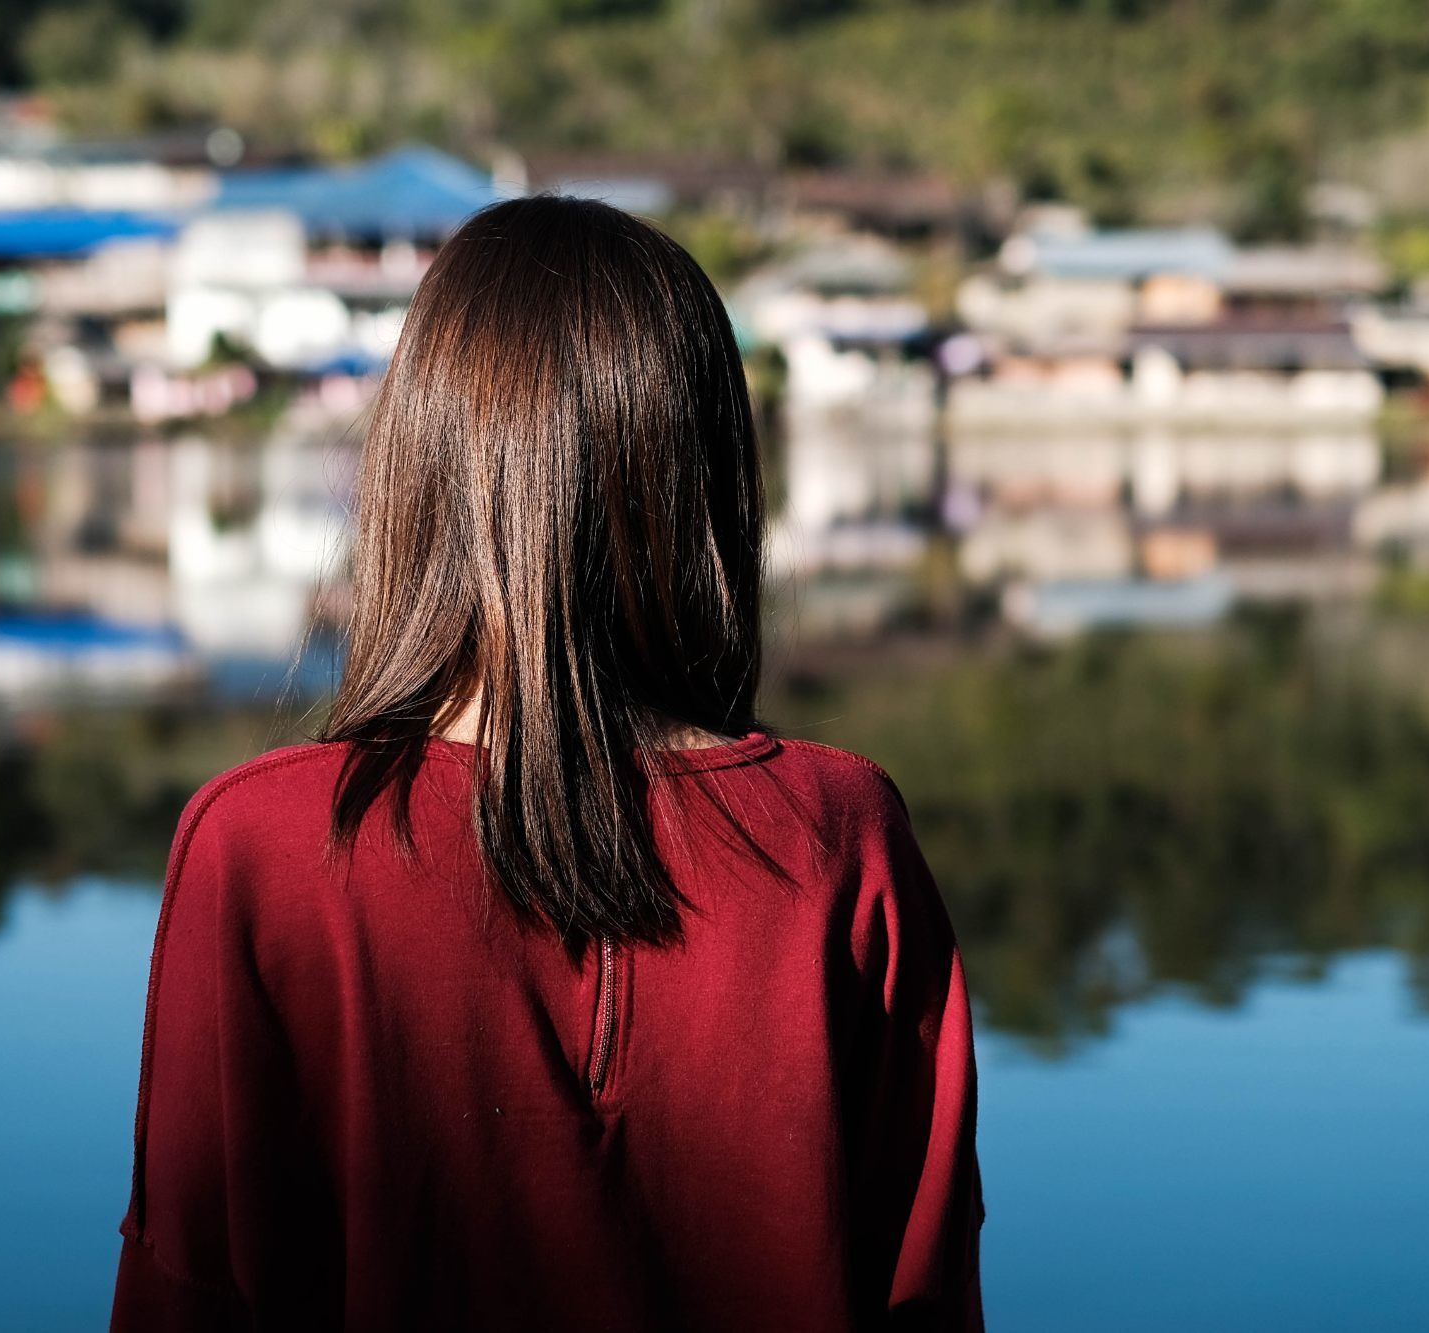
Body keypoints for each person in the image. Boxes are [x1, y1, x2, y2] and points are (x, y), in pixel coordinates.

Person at [110, 195, 985, 1331]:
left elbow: (184, 1294)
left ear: (419, 472)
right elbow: (923, 1291)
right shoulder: (839, 834)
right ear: (710, 480)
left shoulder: (265, 847)